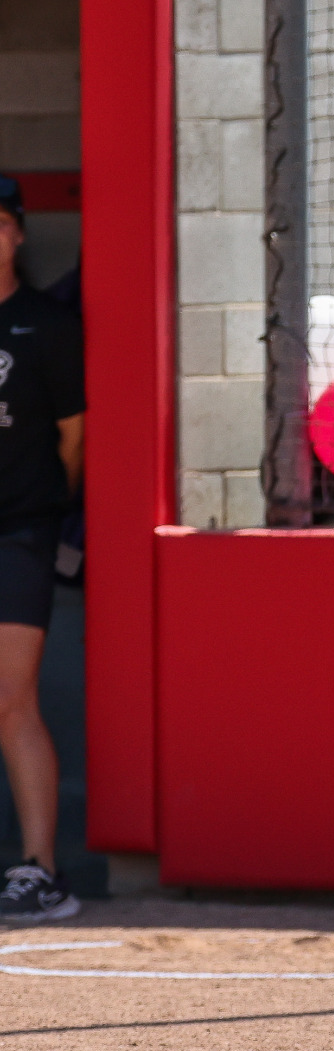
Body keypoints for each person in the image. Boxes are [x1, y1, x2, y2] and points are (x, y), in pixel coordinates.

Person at [0, 175, 83, 920]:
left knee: (10, 697)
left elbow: (73, 440)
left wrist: (48, 513)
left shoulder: (46, 326)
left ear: (17, 233)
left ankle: (39, 870)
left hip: (19, 532)